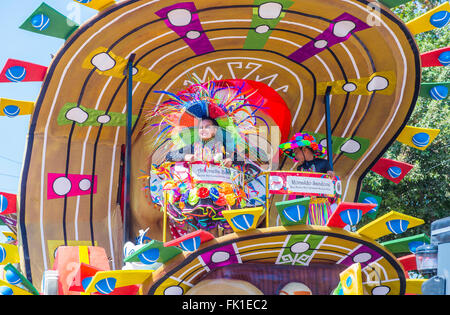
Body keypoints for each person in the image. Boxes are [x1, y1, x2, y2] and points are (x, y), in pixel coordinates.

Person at [279, 132, 336, 225]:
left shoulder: (324, 163)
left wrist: (331, 175)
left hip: (321, 206)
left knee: (323, 230)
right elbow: (299, 191)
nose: (296, 157)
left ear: (304, 149)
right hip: (306, 207)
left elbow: (332, 180)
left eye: (296, 153)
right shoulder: (299, 168)